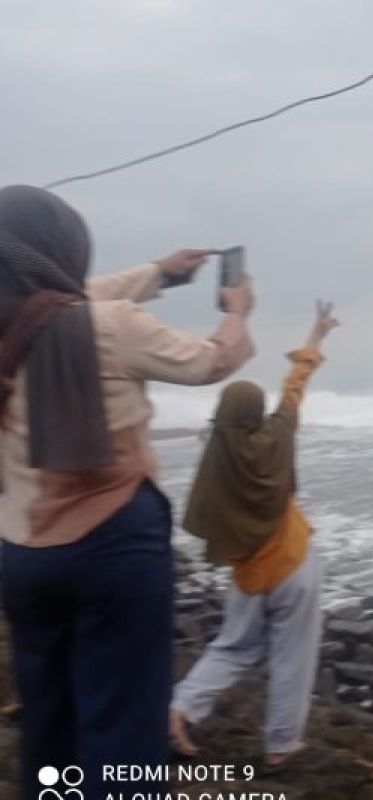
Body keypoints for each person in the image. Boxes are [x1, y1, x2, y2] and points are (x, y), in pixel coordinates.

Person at [0, 185, 255, 800]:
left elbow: (68, 303)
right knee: (125, 723)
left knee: (49, 715)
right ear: (64, 249)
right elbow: (210, 363)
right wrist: (237, 312)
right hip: (112, 544)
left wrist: (160, 274)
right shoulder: (109, 327)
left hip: (19, 550)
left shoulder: (19, 323)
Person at [170, 300, 339, 766]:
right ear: (255, 412)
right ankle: (282, 745)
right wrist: (317, 335)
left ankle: (180, 708)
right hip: (293, 563)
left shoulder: (214, 453)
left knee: (232, 647)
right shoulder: (277, 436)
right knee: (294, 656)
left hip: (247, 573)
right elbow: (294, 388)